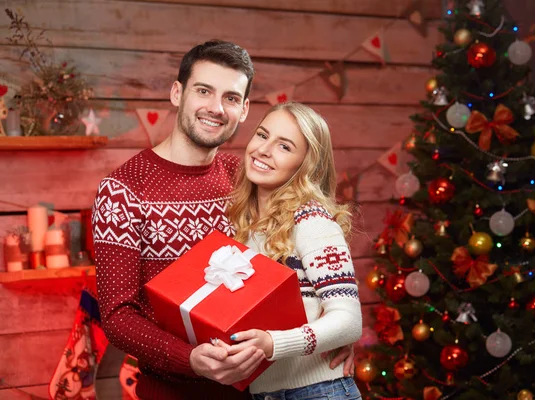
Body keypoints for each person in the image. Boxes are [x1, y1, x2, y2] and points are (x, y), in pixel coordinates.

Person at [92, 40, 353, 400]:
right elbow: (117, 316)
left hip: (259, 388)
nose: (216, 108)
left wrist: (324, 336)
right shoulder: (122, 190)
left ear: (244, 109)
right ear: (176, 92)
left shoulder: (245, 177)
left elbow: (302, 262)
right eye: (203, 91)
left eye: (230, 98)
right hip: (173, 393)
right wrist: (191, 359)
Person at [224, 102, 363, 400]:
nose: (263, 149)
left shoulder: (310, 220)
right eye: (262, 135)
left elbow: (349, 321)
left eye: (284, 147)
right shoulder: (243, 227)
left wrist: (273, 345)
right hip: (265, 394)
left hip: (319, 391)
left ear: (306, 165)